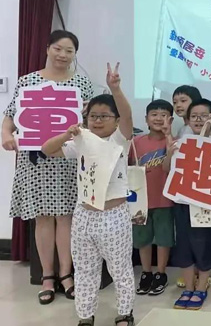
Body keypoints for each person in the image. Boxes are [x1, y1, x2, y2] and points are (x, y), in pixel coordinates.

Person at [1, 30, 94, 305]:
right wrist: (6, 134)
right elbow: (11, 116)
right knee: (42, 217)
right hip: (36, 160)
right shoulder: (28, 81)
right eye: (58, 48)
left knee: (66, 217)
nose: (63, 55)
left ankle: (66, 274)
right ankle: (47, 276)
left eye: (69, 51)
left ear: (75, 55)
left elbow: (92, 119)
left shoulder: (81, 83)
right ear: (47, 49)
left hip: (67, 158)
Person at [42, 63, 135, 326]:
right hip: (83, 216)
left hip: (113, 217)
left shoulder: (120, 140)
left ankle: (124, 313)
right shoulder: (81, 140)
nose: (97, 120)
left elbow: (128, 116)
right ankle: (85, 316)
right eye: (93, 115)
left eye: (104, 116)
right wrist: (66, 134)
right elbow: (47, 149)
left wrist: (115, 88)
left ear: (116, 121)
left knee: (120, 270)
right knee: (84, 270)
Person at [165, 98, 211, 310]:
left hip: (206, 205)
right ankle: (188, 287)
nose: (198, 120)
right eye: (194, 116)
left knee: (203, 245)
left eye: (203, 116)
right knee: (183, 246)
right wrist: (169, 152)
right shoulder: (181, 142)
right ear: (187, 120)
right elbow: (167, 169)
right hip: (182, 203)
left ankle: (202, 287)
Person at [130, 99, 175, 296]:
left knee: (164, 238)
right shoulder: (136, 142)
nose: (158, 118)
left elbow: (172, 167)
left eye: (164, 115)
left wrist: (169, 139)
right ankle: (146, 272)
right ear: (146, 119)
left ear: (171, 119)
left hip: (165, 199)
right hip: (140, 200)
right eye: (154, 114)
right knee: (142, 238)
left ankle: (161, 273)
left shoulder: (173, 141)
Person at [171, 85, 201, 289]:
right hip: (182, 189)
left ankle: (202, 271)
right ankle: (193, 272)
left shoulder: (199, 128)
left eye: (183, 100)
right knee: (185, 233)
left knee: (199, 234)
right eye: (175, 102)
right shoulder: (182, 129)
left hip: (197, 190)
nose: (178, 105)